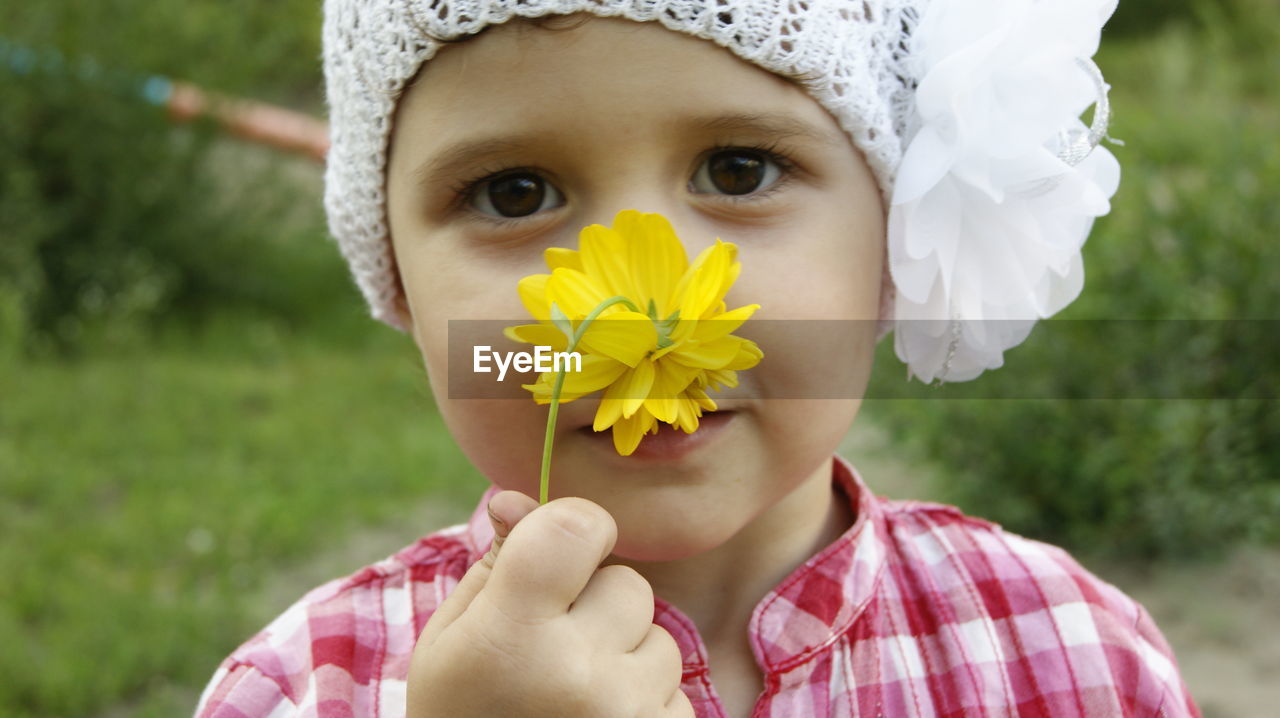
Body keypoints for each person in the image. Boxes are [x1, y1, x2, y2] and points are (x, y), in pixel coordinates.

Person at [194, 1, 1201, 716]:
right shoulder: (298, 688)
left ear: (890, 238)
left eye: (738, 170)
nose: (653, 299)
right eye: (513, 194)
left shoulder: (1072, 656)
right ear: (400, 287)